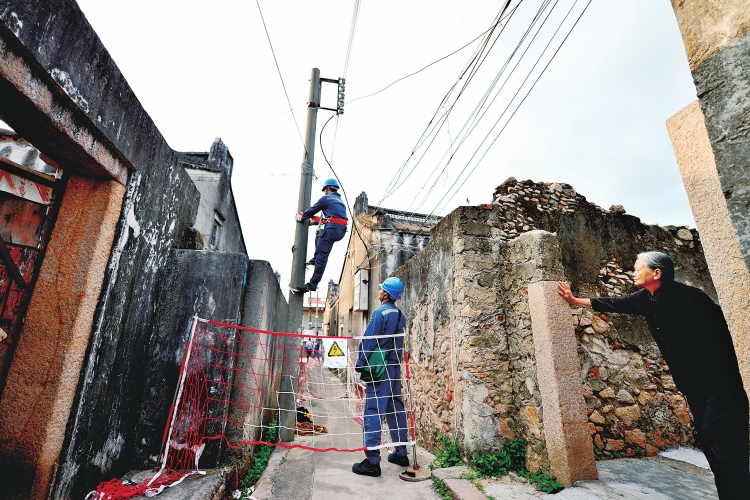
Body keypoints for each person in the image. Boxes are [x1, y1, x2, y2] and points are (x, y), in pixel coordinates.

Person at [558, 251, 749, 498]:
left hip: (720, 383)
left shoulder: (691, 298)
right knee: (711, 442)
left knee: (719, 437)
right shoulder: (645, 298)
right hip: (694, 385)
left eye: (638, 268)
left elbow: (727, 331)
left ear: (656, 273)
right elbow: (614, 302)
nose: (633, 272)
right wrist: (574, 300)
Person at [352, 277, 410, 477]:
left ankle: (372, 462)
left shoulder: (380, 313)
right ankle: (401, 453)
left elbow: (369, 341)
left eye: (381, 289)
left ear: (386, 294)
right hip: (394, 368)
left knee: (374, 411)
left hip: (379, 369)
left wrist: (360, 365)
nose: (379, 291)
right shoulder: (401, 316)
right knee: (396, 409)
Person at [293, 178, 348, 294]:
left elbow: (312, 210)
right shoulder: (340, 201)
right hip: (340, 231)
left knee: (322, 257)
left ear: (327, 188)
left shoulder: (326, 199)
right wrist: (315, 221)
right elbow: (332, 219)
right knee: (319, 234)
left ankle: (312, 285)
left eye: (324, 190)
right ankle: (315, 258)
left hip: (332, 229)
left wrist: (303, 217)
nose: (324, 192)